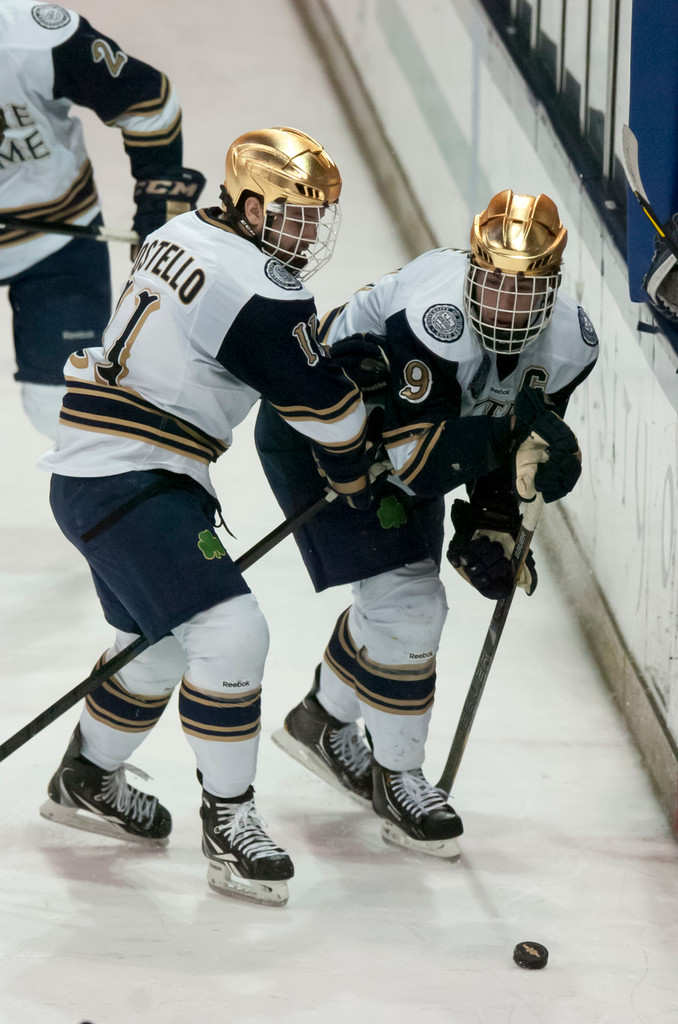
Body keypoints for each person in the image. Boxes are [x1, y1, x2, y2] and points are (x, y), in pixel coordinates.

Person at [38, 126, 370, 907]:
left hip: (105, 467)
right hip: (128, 476)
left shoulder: (184, 229)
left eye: (318, 214)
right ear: (249, 205)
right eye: (295, 212)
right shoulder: (261, 285)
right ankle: (229, 823)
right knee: (230, 630)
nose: (310, 230)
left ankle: (86, 777)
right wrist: (355, 465)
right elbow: (329, 418)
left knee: (154, 650)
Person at [255, 189, 599, 859]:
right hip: (323, 435)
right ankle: (398, 777)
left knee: (398, 610)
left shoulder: (572, 342)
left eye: (525, 290)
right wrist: (509, 444)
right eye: (494, 281)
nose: (505, 302)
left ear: (553, 288)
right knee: (409, 608)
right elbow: (411, 462)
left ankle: (319, 724)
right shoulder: (433, 320)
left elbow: (514, 422)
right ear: (473, 266)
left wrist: (494, 516)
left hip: (396, 443)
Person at [0, 2, 204, 437]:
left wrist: (159, 206)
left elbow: (149, 101)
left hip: (53, 239)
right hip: (55, 226)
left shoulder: (41, 37)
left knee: (65, 407)